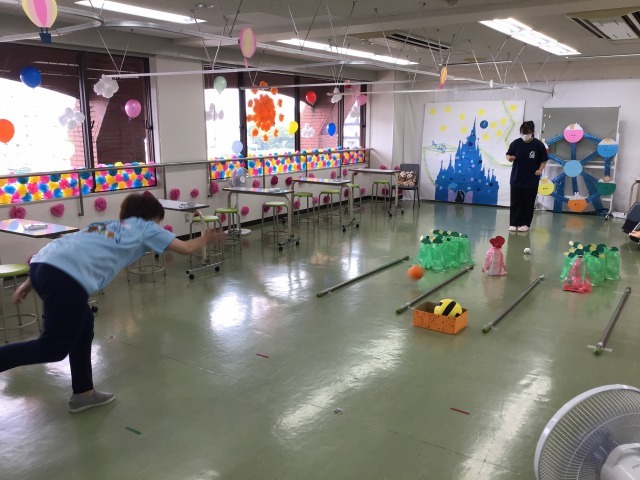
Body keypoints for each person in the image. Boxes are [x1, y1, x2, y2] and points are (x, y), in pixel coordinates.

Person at [1, 193, 221, 413]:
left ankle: (83, 393)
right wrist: (205, 238)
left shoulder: (105, 226)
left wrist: (29, 282)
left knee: (84, 326)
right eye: (158, 220)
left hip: (42, 265)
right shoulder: (147, 228)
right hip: (66, 278)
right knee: (54, 347)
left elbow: (67, 247)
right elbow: (186, 248)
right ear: (152, 217)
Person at [506, 121, 548, 232]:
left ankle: (525, 224)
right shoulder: (516, 143)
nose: (524, 135)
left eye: (527, 133)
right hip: (516, 178)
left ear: (532, 132)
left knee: (528, 202)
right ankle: (514, 223)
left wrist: (540, 169)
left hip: (531, 179)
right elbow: (508, 154)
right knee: (515, 202)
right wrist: (509, 158)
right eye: (522, 133)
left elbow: (544, 160)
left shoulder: (538, 145)